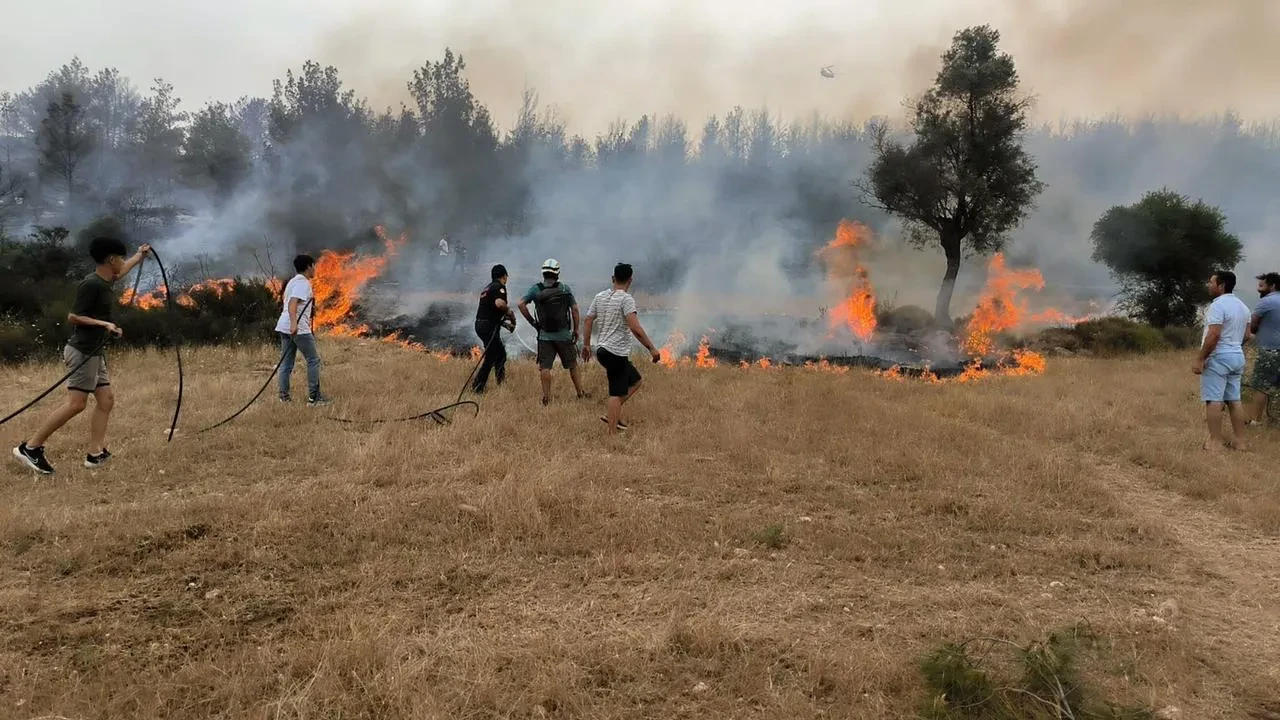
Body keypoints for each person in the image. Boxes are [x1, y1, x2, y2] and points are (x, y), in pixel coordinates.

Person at [12, 237, 150, 474]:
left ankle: (95, 454)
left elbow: (122, 271)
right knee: (76, 404)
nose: (123, 262)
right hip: (82, 352)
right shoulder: (91, 284)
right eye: (121, 258)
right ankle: (31, 447)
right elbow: (73, 316)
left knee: (106, 400)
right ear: (111, 259)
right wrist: (104, 324)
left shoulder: (107, 279)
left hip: (95, 352)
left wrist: (140, 255)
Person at [581, 263, 662, 434]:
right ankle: (612, 434)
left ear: (613, 278)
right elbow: (635, 328)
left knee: (636, 380)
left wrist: (586, 345)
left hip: (602, 350)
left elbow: (588, 320)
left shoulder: (600, 296)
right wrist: (652, 348)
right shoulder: (626, 299)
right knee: (616, 393)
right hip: (615, 352)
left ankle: (613, 414)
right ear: (630, 280)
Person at [1193, 270, 1252, 451]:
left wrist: (1201, 358)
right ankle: (1241, 442)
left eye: (1212, 282)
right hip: (1237, 355)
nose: (1209, 285)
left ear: (1222, 285)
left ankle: (1215, 442)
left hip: (1219, 356)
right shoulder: (1243, 307)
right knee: (1234, 399)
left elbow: (1214, 334)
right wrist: (1234, 347)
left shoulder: (1217, 306)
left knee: (1213, 400)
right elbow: (1247, 335)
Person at [518, 258, 589, 405]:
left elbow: (520, 304)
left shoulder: (535, 289)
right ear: (557, 273)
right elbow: (574, 310)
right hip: (564, 335)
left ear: (543, 273)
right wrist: (576, 329)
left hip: (544, 336)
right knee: (572, 365)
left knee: (545, 367)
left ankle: (547, 398)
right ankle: (580, 393)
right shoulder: (565, 289)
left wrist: (533, 323)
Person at [275, 254, 331, 406]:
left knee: (286, 363)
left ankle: (284, 398)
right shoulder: (303, 284)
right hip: (297, 328)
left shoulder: (292, 282)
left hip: (284, 326)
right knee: (313, 360)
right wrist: (294, 324)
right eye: (314, 266)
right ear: (308, 267)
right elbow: (293, 303)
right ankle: (314, 398)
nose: (315, 269)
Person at [473, 264, 516, 394]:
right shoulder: (499, 287)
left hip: (481, 325)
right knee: (495, 355)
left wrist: (506, 325)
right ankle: (478, 387)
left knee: (497, 354)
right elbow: (499, 303)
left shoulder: (487, 288)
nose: (506, 279)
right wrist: (509, 311)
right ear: (503, 276)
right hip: (488, 327)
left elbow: (491, 312)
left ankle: (499, 382)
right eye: (506, 276)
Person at [1246, 271, 1280, 425]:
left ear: (1272, 286)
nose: (1259, 289)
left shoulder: (1266, 302)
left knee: (1261, 385)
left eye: (1262, 286)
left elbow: (1252, 324)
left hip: (1270, 350)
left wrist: (1254, 332)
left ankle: (1255, 421)